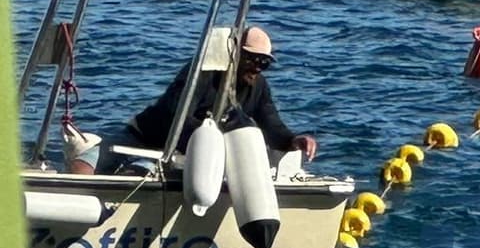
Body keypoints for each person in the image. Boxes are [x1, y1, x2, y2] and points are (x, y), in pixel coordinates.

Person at [100, 25, 317, 172]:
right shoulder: (202, 74)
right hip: (145, 138)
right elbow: (176, 114)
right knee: (90, 161)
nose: (258, 68)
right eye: (253, 60)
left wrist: (293, 140)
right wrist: (213, 136)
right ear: (236, 54)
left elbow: (272, 124)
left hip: (192, 156)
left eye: (264, 63)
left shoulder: (258, 87)